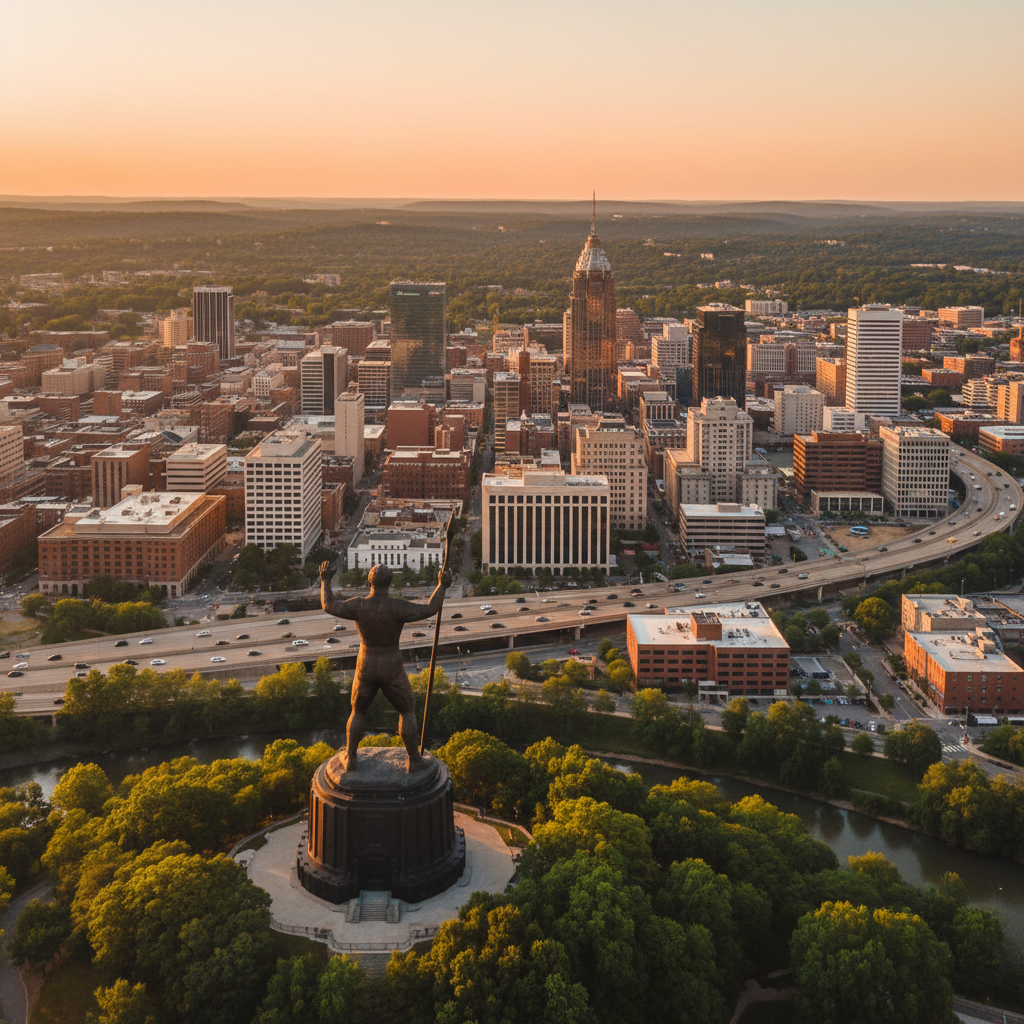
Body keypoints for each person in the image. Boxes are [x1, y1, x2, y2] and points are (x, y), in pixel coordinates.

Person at [320, 561, 451, 772]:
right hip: (391, 666)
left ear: (369, 581)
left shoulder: (359, 605)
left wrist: (325, 581)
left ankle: (350, 757)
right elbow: (431, 608)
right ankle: (414, 760)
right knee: (407, 710)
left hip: (366, 665)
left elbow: (329, 605)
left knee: (358, 711)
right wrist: (442, 585)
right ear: (390, 583)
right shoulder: (397, 607)